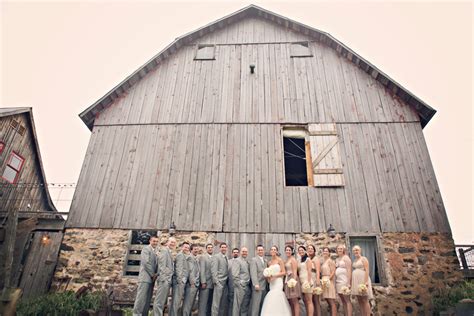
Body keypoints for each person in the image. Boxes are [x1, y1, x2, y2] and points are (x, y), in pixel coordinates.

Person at [260, 246, 292, 316]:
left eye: (275, 249)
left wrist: (275, 276)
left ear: (277, 251)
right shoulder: (269, 263)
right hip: (272, 283)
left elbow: (284, 272)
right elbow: (268, 274)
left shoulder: (280, 260)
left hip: (278, 282)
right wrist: (268, 278)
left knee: (277, 296)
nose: (273, 251)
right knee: (271, 297)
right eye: (272, 249)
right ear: (270, 252)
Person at [132, 235, 159, 316]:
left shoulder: (156, 251)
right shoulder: (146, 249)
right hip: (145, 277)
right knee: (141, 298)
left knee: (147, 299)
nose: (155, 243)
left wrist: (156, 275)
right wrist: (152, 274)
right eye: (154, 241)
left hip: (152, 279)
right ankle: (137, 314)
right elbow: (146, 263)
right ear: (150, 241)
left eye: (157, 241)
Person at [153, 237, 177, 316]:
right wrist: (165, 279)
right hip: (164, 280)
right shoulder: (164, 251)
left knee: (163, 301)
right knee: (159, 301)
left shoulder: (169, 252)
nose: (172, 244)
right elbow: (162, 266)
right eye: (171, 242)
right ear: (167, 242)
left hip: (167, 280)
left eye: (174, 242)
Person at [351, 245, 374, 316]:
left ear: (360, 250)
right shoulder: (354, 260)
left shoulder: (364, 259)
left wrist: (365, 282)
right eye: (354, 250)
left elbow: (367, 270)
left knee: (365, 300)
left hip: (363, 280)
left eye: (357, 250)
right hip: (356, 281)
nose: (356, 251)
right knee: (360, 300)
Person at [169, 242, 191, 316]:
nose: (187, 249)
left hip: (182, 282)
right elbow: (179, 269)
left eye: (188, 248)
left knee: (177, 301)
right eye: (185, 247)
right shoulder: (180, 255)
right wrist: (180, 281)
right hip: (179, 282)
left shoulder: (184, 256)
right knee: (176, 301)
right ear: (182, 247)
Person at [231, 246, 251, 316]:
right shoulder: (237, 261)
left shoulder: (247, 261)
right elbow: (235, 275)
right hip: (240, 287)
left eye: (246, 252)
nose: (244, 253)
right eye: (243, 251)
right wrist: (239, 285)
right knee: (237, 306)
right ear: (240, 253)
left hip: (247, 287)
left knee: (245, 305)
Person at [211, 242, 228, 316]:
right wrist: (217, 282)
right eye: (222, 247)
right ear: (220, 248)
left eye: (225, 247)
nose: (224, 248)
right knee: (216, 304)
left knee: (222, 304)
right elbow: (214, 270)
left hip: (225, 284)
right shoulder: (216, 257)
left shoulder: (226, 257)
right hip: (219, 283)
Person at [249, 244, 268, 316]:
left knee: (262, 305)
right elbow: (253, 273)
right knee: (255, 306)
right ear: (256, 251)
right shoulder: (254, 260)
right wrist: (255, 284)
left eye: (262, 250)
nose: (260, 251)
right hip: (258, 286)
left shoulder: (265, 260)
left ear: (264, 251)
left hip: (265, 286)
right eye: (259, 250)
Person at [183, 244, 200, 316]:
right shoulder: (190, 258)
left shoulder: (197, 258)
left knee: (191, 304)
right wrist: (192, 282)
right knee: (188, 304)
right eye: (195, 249)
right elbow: (190, 271)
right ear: (191, 250)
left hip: (196, 284)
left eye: (197, 249)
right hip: (191, 284)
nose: (196, 250)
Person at [284, 245, 301, 316]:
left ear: (292, 251)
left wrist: (293, 282)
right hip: (287, 279)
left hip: (293, 280)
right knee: (290, 300)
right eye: (286, 250)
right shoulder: (287, 260)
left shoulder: (293, 260)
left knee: (295, 300)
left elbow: (294, 271)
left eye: (289, 250)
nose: (288, 251)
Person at [336, 244, 352, 316]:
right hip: (338, 281)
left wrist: (348, 283)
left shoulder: (346, 258)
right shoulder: (337, 259)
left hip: (344, 281)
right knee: (343, 300)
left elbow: (349, 270)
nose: (339, 250)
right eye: (338, 248)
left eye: (341, 248)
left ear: (343, 250)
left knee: (347, 300)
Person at [297, 246, 314, 316]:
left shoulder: (308, 259)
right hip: (301, 281)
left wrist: (309, 282)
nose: (301, 252)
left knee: (309, 301)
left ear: (305, 251)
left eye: (302, 250)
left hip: (307, 281)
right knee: (305, 301)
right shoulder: (299, 260)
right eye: (299, 251)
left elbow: (309, 271)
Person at [198, 243, 214, 316]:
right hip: (206, 284)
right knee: (203, 303)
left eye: (211, 247)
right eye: (208, 247)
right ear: (206, 249)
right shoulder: (203, 257)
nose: (210, 249)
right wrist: (203, 282)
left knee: (210, 303)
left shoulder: (214, 257)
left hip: (213, 284)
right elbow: (202, 270)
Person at [321, 247, 337, 316]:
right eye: (324, 251)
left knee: (331, 301)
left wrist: (328, 279)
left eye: (326, 251)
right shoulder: (324, 261)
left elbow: (333, 271)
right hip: (324, 281)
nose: (325, 252)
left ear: (329, 253)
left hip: (328, 281)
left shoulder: (330, 261)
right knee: (327, 300)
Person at [308, 244, 321, 316]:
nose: (310, 250)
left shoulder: (315, 259)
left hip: (315, 278)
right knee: (311, 300)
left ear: (314, 250)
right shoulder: (308, 259)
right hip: (310, 279)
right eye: (309, 249)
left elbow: (318, 270)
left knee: (316, 300)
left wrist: (318, 280)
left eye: (311, 249)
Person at [227, 248, 240, 314]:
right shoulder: (228, 262)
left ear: (239, 253)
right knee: (231, 302)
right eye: (234, 252)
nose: (235, 253)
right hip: (230, 285)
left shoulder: (241, 261)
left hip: (239, 286)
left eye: (237, 252)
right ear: (232, 253)